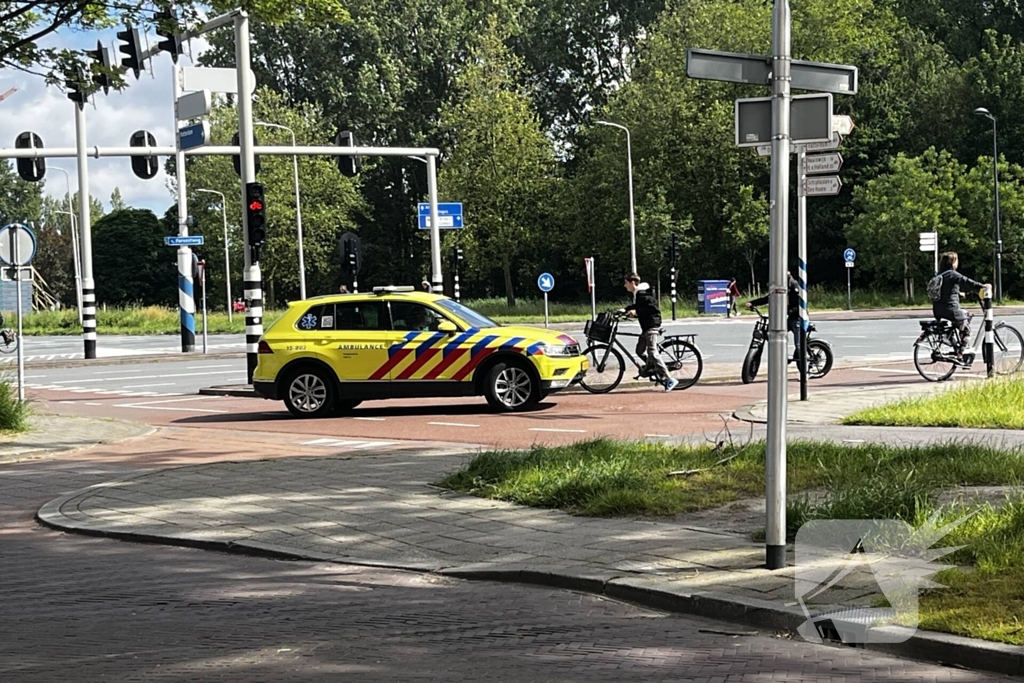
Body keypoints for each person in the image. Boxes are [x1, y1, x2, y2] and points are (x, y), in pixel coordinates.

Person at [621, 273, 678, 392]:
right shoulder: (640, 294)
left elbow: (650, 309)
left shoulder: (642, 294)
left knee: (652, 351)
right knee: (639, 350)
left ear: (632, 282)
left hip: (651, 326)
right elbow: (637, 306)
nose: (625, 285)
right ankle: (652, 367)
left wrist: (635, 313)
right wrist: (625, 310)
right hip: (646, 327)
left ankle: (669, 378)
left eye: (626, 282)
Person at [930, 251, 986, 359]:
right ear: (952, 262)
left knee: (966, 315)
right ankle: (961, 354)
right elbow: (966, 281)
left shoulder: (940, 275)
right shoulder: (952, 274)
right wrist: (981, 286)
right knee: (967, 330)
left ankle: (952, 340)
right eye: (956, 260)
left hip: (938, 309)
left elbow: (945, 292)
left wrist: (960, 294)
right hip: (950, 309)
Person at [747, 271, 802, 360]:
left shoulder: (793, 285)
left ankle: (805, 366)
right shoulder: (779, 287)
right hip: (787, 318)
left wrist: (790, 312)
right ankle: (780, 354)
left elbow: (799, 303)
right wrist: (753, 303)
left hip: (796, 318)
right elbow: (768, 298)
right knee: (772, 333)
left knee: (799, 346)